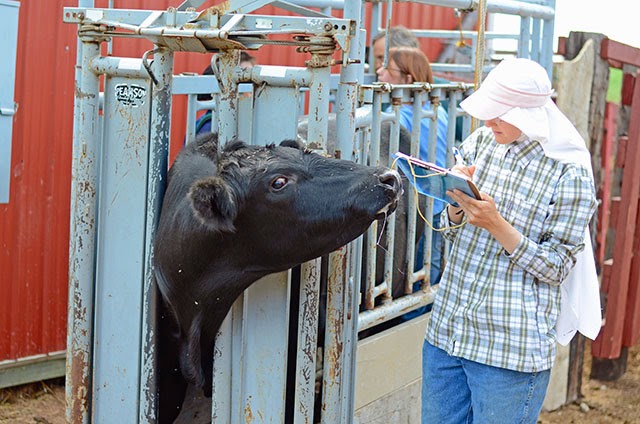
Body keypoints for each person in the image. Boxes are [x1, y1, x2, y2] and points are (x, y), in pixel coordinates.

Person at [422, 58, 600, 423]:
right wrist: (455, 206)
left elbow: (557, 266)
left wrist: (497, 225)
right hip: (448, 332)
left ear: (530, 114)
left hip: (509, 349)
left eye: (499, 114)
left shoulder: (570, 174)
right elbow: (450, 229)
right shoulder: (480, 143)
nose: (489, 122)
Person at [377, 46, 449, 315]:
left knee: (414, 278)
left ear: (407, 79)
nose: (379, 71)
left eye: (388, 69)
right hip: (433, 207)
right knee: (423, 276)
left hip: (420, 210)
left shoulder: (402, 117)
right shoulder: (435, 110)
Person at [195, 51, 256, 135]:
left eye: (252, 80)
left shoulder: (245, 123)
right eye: (245, 80)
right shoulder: (211, 126)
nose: (251, 88)